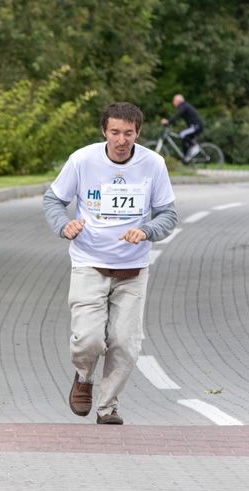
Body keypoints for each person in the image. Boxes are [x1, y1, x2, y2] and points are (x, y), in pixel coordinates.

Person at [43, 102, 178, 425]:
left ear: (138, 133)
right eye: (115, 132)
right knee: (89, 339)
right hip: (89, 262)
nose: (121, 140)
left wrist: (146, 231)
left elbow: (168, 215)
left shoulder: (153, 164)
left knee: (125, 343)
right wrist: (64, 225)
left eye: (128, 133)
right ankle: (84, 377)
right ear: (104, 131)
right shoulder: (82, 160)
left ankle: (108, 406)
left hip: (133, 270)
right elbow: (53, 199)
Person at [160, 94, 203, 162]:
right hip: (194, 126)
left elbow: (176, 115)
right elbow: (177, 117)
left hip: (196, 126)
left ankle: (194, 148)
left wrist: (168, 122)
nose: (173, 102)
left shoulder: (183, 106)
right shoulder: (184, 106)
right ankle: (187, 156)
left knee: (182, 134)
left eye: (174, 100)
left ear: (178, 101)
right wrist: (169, 123)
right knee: (184, 137)